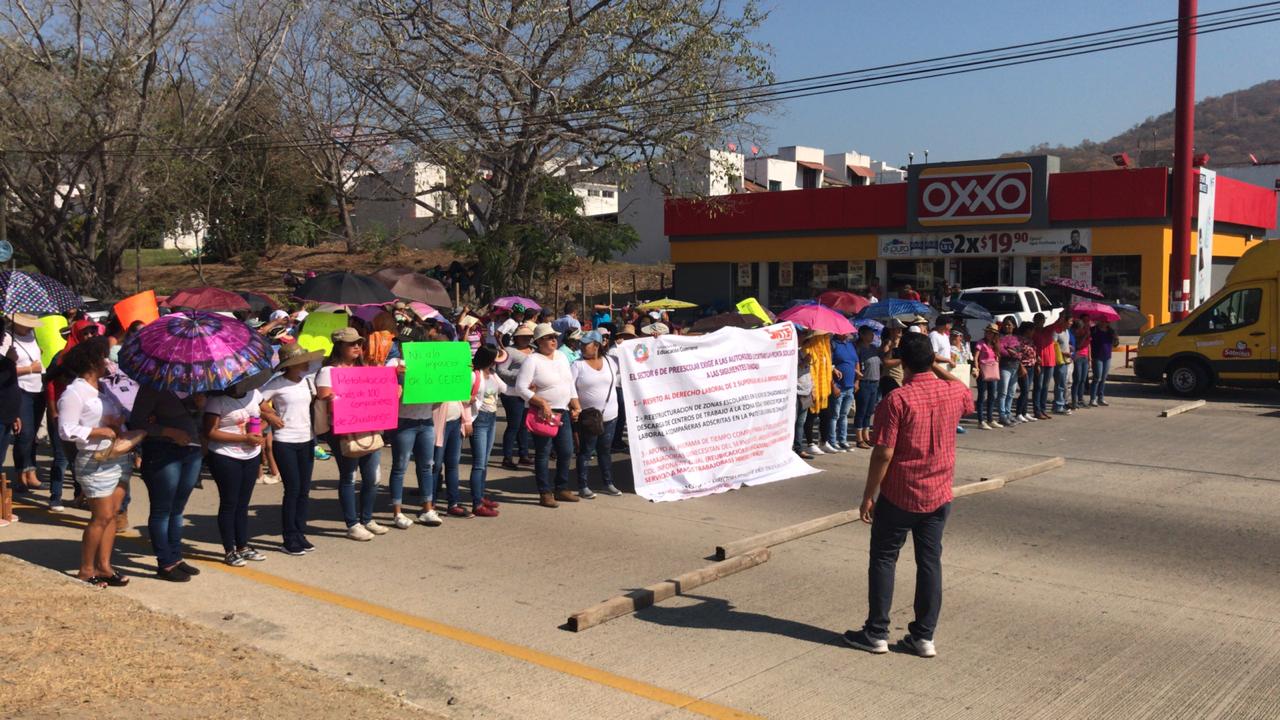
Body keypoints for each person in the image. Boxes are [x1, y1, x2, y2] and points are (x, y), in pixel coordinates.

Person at [844, 332, 973, 658]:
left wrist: (868, 495)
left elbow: (883, 453)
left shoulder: (897, 401)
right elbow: (966, 397)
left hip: (901, 494)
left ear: (901, 360)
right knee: (929, 562)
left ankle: (876, 632)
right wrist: (937, 368)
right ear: (932, 359)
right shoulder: (952, 392)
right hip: (939, 493)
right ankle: (923, 636)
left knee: (885, 558)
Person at [57, 338, 135, 587]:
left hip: (117, 457)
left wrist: (117, 425)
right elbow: (65, 429)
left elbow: (113, 420)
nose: (108, 362)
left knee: (112, 515)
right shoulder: (74, 392)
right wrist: (98, 432)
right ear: (91, 362)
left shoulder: (103, 389)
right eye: (103, 357)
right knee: (100, 517)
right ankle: (86, 569)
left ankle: (104, 566)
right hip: (94, 460)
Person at [316, 327, 384, 541]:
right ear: (339, 347)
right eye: (351, 343)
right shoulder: (328, 371)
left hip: (368, 427)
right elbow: (322, 395)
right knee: (349, 476)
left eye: (359, 343)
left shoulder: (365, 369)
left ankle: (367, 518)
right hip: (342, 430)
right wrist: (331, 398)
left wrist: (392, 390)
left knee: (371, 477)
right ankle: (352, 523)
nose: (357, 346)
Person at [132, 383, 205, 581]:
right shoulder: (153, 387)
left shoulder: (197, 386)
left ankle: (176, 556)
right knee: (162, 510)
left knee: (178, 509)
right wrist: (169, 432)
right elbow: (137, 422)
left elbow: (200, 423)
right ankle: (165, 562)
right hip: (163, 452)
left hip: (192, 451)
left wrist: (199, 406)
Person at [259, 343, 323, 555]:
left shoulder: (306, 382)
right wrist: (271, 416)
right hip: (285, 440)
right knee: (293, 489)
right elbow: (259, 402)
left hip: (306, 439)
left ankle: (299, 532)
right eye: (302, 360)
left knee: (304, 490)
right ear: (292, 364)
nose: (306, 363)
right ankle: (289, 537)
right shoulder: (277, 383)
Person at [515, 323, 581, 508]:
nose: (554, 340)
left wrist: (576, 404)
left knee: (566, 451)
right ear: (539, 341)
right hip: (543, 413)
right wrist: (542, 402)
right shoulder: (532, 360)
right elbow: (521, 388)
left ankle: (561, 487)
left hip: (563, 411)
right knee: (543, 453)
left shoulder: (560, 356)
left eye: (554, 337)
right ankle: (545, 492)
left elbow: (569, 384)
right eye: (549, 337)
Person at [203, 377, 266, 566]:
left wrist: (260, 430)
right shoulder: (217, 400)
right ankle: (229, 550)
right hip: (225, 456)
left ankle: (243, 546)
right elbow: (210, 432)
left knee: (243, 503)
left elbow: (266, 416)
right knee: (230, 502)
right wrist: (244, 438)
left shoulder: (255, 394)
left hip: (251, 455)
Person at [386, 334, 438, 528]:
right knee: (400, 466)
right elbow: (381, 387)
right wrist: (393, 374)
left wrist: (461, 375)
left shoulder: (430, 362)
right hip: (404, 421)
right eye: (404, 344)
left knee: (426, 466)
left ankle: (427, 509)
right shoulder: (394, 363)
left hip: (427, 421)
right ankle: (397, 513)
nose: (407, 347)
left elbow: (441, 393)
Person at [571, 331, 621, 498]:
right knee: (586, 451)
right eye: (581, 344)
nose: (582, 347)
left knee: (605, 451)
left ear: (597, 346)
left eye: (586, 344)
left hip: (611, 416)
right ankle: (582, 485)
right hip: (588, 418)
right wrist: (575, 407)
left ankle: (608, 482)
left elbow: (636, 359)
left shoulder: (611, 362)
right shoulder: (577, 365)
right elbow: (570, 389)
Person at [4, 313, 46, 492]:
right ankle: (22, 472)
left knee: (33, 435)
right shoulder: (7, 337)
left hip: (38, 388)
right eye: (26, 324)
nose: (30, 327)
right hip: (21, 389)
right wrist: (30, 368)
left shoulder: (32, 335)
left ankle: (31, 471)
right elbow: (5, 369)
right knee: (24, 433)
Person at [466, 345, 504, 517]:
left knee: (485, 461)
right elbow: (464, 397)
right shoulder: (474, 375)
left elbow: (505, 389)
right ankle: (477, 502)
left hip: (492, 417)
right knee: (479, 463)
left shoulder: (493, 374)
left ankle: (480, 495)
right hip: (479, 418)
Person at [432, 377, 472, 518]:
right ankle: (430, 504)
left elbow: (464, 399)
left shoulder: (456, 371)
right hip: (439, 425)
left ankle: (453, 504)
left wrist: (467, 420)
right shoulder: (434, 371)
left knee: (452, 464)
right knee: (435, 465)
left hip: (456, 423)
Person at [496, 324, 534, 470]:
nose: (526, 339)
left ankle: (523, 454)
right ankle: (507, 457)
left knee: (524, 425)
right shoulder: (508, 351)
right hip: (512, 392)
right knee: (514, 425)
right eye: (523, 336)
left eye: (528, 336)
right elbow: (501, 370)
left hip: (528, 392)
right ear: (517, 337)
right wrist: (520, 376)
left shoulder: (534, 351)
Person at [801, 331, 835, 455]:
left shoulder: (826, 349)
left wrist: (833, 371)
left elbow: (826, 365)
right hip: (812, 388)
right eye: (824, 336)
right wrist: (813, 389)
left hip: (824, 388)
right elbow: (808, 369)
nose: (826, 338)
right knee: (810, 417)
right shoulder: (808, 348)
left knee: (826, 415)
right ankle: (810, 443)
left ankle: (824, 442)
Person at [828, 332, 859, 452]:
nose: (847, 333)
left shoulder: (850, 345)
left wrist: (857, 381)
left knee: (844, 415)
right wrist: (833, 385)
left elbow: (856, 362)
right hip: (838, 386)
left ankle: (843, 440)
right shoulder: (833, 344)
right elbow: (828, 365)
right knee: (834, 415)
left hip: (850, 386)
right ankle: (832, 441)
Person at [852, 326, 881, 449]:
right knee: (861, 411)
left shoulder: (874, 348)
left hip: (875, 382)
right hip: (864, 382)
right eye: (869, 334)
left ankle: (866, 435)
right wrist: (857, 380)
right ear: (862, 335)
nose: (872, 336)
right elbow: (854, 365)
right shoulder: (858, 349)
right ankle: (859, 438)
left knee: (869, 411)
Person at [973, 323, 1002, 429]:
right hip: (983, 370)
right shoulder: (981, 343)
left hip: (992, 370)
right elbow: (975, 357)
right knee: (981, 396)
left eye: (992, 333)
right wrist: (976, 368)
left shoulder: (995, 344)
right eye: (988, 332)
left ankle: (990, 419)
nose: (989, 334)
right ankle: (981, 421)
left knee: (992, 395)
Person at [1030, 314, 1057, 420]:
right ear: (1034, 321)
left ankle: (1043, 409)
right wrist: (1036, 360)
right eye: (1038, 320)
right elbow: (1031, 347)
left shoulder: (1048, 330)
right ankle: (1037, 410)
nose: (1040, 322)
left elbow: (1058, 323)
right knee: (1038, 387)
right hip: (1039, 362)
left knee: (1045, 387)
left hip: (1050, 362)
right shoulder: (1033, 333)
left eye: (1042, 320)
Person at [793, 337, 815, 460]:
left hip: (806, 391)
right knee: (794, 421)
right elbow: (792, 371)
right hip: (795, 391)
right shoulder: (793, 352)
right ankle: (791, 447)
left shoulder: (805, 353)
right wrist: (804, 362)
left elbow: (809, 373)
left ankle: (799, 448)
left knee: (801, 422)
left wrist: (813, 389)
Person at [1090, 319, 1118, 407]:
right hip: (1097, 356)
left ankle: (1100, 398)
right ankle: (1093, 399)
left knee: (1103, 378)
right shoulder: (1094, 330)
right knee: (1097, 377)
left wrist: (1115, 339)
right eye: (1102, 321)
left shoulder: (1111, 331)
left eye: (1106, 321)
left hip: (1107, 357)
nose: (1104, 323)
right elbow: (1090, 342)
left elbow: (1115, 344)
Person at [878, 320, 905, 397]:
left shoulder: (902, 342)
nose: (900, 330)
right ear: (891, 330)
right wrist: (892, 347)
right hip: (890, 378)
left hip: (901, 378)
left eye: (901, 328)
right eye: (898, 328)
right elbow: (886, 362)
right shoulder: (887, 343)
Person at [1052, 315, 1073, 415]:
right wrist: (1063, 353)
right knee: (1060, 384)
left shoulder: (1066, 332)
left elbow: (1063, 344)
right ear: (1064, 321)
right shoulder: (1056, 332)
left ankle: (1061, 404)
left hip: (1066, 361)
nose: (1071, 323)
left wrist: (1069, 347)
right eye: (1070, 321)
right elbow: (1052, 346)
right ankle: (1058, 406)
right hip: (1059, 361)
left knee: (1063, 384)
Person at [1070, 318, 1091, 410]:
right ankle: (1074, 401)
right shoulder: (1073, 334)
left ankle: (1080, 399)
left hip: (1085, 357)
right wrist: (1084, 336)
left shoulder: (1085, 331)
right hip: (1077, 357)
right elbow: (1077, 346)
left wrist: (1090, 358)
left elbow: (1088, 345)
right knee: (1077, 380)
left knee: (1083, 380)